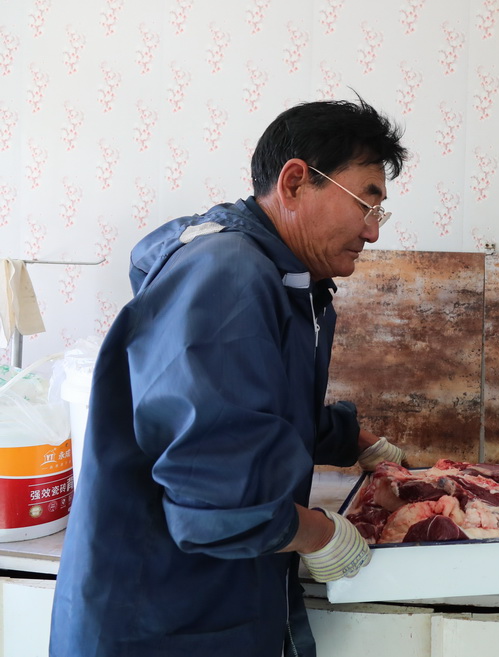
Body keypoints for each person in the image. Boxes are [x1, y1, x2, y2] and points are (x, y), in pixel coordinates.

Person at [49, 99, 409, 657]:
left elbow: (254, 409)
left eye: (379, 212)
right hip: (161, 620)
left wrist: (355, 441)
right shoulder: (227, 274)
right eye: (366, 202)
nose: (372, 231)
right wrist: (321, 533)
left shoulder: (284, 277)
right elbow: (214, 497)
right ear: (295, 182)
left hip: (208, 605)